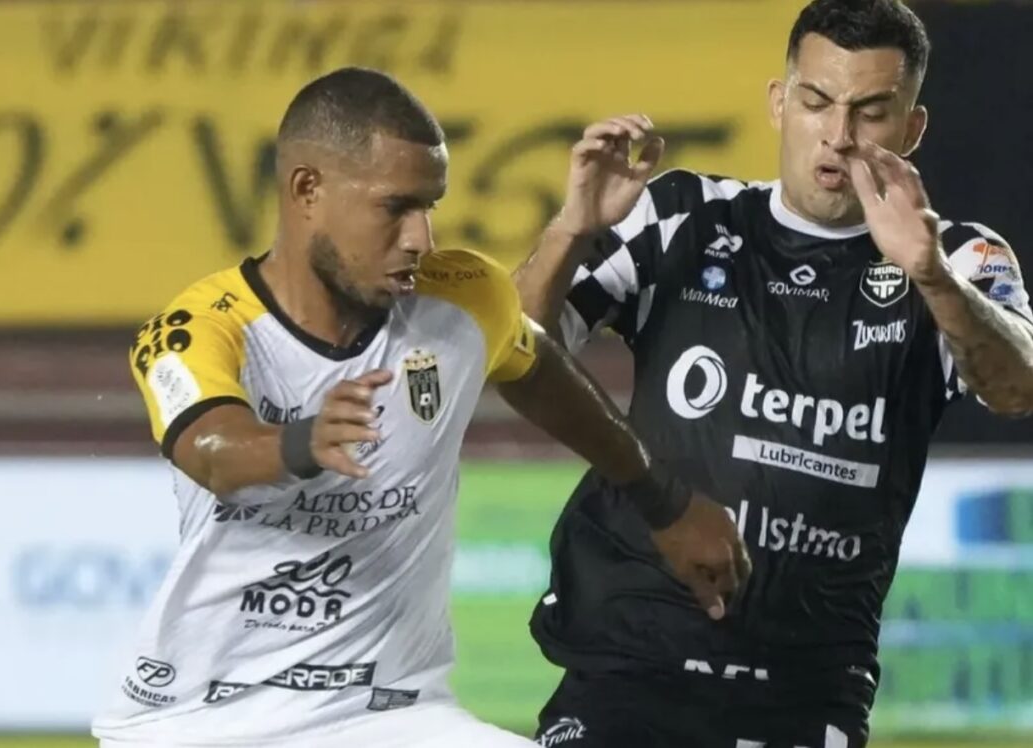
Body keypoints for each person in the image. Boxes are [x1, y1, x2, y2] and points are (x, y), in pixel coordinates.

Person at [90, 67, 747, 748]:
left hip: (389, 713)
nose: (420, 238)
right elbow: (211, 450)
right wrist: (298, 443)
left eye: (429, 206)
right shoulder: (200, 326)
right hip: (199, 719)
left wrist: (665, 502)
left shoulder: (463, 299)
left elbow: (543, 378)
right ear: (307, 190)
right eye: (395, 208)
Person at [516, 2, 1033, 746]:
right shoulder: (679, 214)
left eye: (871, 112)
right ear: (778, 102)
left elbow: (1017, 388)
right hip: (631, 663)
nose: (839, 135)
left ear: (912, 129)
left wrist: (930, 276)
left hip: (809, 684)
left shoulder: (958, 256)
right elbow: (518, 350)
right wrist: (571, 230)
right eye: (817, 101)